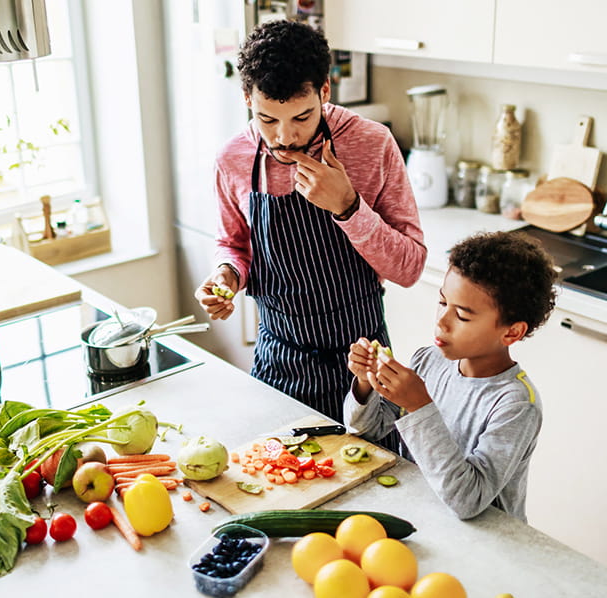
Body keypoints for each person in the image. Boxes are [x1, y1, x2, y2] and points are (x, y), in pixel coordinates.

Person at [194, 20, 426, 429]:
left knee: (375, 484)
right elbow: (233, 245)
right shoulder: (232, 159)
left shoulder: (372, 145)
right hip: (278, 361)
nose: (285, 138)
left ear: (324, 91)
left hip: (364, 368)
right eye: (268, 120)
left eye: (301, 117)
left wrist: (348, 207)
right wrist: (226, 277)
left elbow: (409, 269)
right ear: (247, 97)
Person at [343, 231, 557, 521]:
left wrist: (420, 406)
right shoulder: (428, 361)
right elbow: (367, 432)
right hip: (423, 518)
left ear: (511, 332)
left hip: (489, 543)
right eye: (443, 303)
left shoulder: (516, 404)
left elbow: (468, 500)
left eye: (463, 316)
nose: (441, 322)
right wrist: (365, 384)